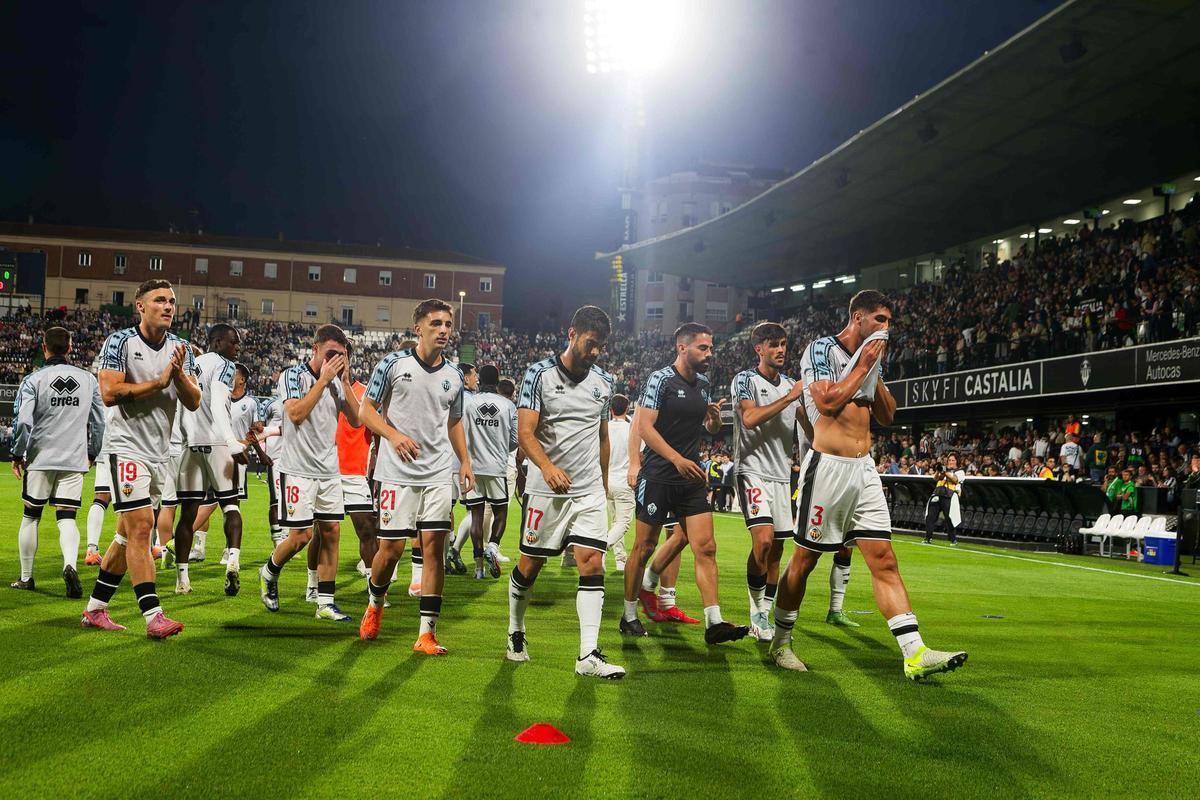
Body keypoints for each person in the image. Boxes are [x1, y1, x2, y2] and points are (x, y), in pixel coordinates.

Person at [770, 290, 967, 680]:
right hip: (826, 468)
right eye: (879, 319)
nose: (885, 328)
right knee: (804, 561)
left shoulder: (872, 357)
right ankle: (781, 641)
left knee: (884, 560)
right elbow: (826, 404)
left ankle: (914, 652)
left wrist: (874, 372)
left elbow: (888, 415)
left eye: (889, 322)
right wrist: (864, 364)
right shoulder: (821, 350)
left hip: (864, 470)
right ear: (857, 317)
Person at [506, 305, 624, 678]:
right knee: (531, 565)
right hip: (546, 490)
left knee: (592, 562)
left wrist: (602, 485)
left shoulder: (604, 383)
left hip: (587, 490)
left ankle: (588, 653)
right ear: (572, 334)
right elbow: (525, 432)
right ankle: (516, 630)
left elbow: (603, 437)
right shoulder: (538, 375)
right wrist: (547, 466)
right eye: (591, 344)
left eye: (601, 347)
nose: (595, 353)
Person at [81, 279, 201, 638]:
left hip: (159, 454)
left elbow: (194, 400)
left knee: (123, 537)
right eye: (160, 300)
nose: (168, 306)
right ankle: (153, 615)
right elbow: (109, 392)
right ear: (140, 306)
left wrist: (177, 376)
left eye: (172, 301)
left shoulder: (182, 348)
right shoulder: (120, 342)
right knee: (141, 529)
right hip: (125, 448)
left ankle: (95, 609)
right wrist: (159, 381)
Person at [357, 299, 472, 653]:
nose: (444, 330)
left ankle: (426, 633)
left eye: (448, 324)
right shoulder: (393, 364)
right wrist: (393, 435)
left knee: (434, 549)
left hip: (438, 472)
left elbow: (454, 422)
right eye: (436, 323)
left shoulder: (454, 376)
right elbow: (366, 411)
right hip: (397, 473)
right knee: (390, 550)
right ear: (419, 327)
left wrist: (464, 461)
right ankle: (375, 605)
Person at [622, 322, 748, 644]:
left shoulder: (704, 383)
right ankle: (629, 613)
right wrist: (656, 461)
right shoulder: (660, 380)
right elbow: (645, 427)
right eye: (703, 348)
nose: (710, 353)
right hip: (659, 474)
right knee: (643, 547)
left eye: (711, 347)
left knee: (705, 546)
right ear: (682, 347)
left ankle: (713, 621)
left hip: (691, 477)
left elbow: (703, 427)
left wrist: (714, 422)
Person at [258, 324, 360, 621]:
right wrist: (324, 380)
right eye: (331, 353)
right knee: (301, 537)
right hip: (297, 469)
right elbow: (295, 414)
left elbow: (355, 420)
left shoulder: (339, 382)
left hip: (328, 470)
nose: (335, 359)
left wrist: (346, 380)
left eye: (341, 355)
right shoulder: (293, 375)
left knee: (331, 533)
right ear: (315, 349)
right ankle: (269, 571)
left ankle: (325, 603)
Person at [9, 327, 105, 597]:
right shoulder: (88, 380)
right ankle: (70, 565)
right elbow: (99, 422)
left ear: (44, 347)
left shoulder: (33, 380)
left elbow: (24, 422)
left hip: (41, 457)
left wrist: (17, 453)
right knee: (67, 518)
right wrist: (92, 452)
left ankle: (27, 577)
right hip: (73, 458)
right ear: (70, 347)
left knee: (31, 516)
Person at [730, 321, 804, 641]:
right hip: (751, 469)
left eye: (784, 343)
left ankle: (769, 611)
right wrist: (789, 399)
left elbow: (806, 428)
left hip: (781, 475)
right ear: (758, 348)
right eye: (773, 344)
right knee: (761, 541)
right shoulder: (744, 380)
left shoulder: (791, 385)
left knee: (775, 551)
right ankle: (756, 609)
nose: (780, 349)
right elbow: (749, 418)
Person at [174, 323, 247, 596]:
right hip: (218, 443)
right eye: (233, 342)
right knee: (231, 506)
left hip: (190, 445)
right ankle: (233, 563)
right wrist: (232, 442)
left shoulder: (190, 365)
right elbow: (217, 403)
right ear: (217, 342)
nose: (236, 347)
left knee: (188, 514)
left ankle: (182, 579)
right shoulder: (225, 365)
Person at [459, 364, 517, 579]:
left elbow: (461, 433)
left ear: (480, 380)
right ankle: (493, 546)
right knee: (500, 511)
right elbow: (514, 440)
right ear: (497, 380)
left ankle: (479, 569)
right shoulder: (508, 405)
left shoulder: (469, 403)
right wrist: (502, 448)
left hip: (472, 468)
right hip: (496, 467)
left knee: (475, 517)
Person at [605, 393, 634, 571]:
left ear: (610, 410)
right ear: (628, 408)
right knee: (623, 523)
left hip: (607, 481)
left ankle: (620, 561)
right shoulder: (632, 429)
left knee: (615, 522)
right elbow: (640, 455)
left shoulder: (604, 428)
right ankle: (601, 546)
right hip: (624, 481)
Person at [924, 453, 964, 545]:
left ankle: (953, 539)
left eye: (953, 460)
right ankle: (928, 538)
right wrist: (938, 471)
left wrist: (945, 471)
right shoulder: (944, 470)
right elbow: (935, 478)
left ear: (957, 461)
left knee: (949, 518)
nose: (951, 462)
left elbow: (955, 480)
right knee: (930, 517)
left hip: (949, 496)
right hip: (937, 493)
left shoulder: (960, 471)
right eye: (949, 460)